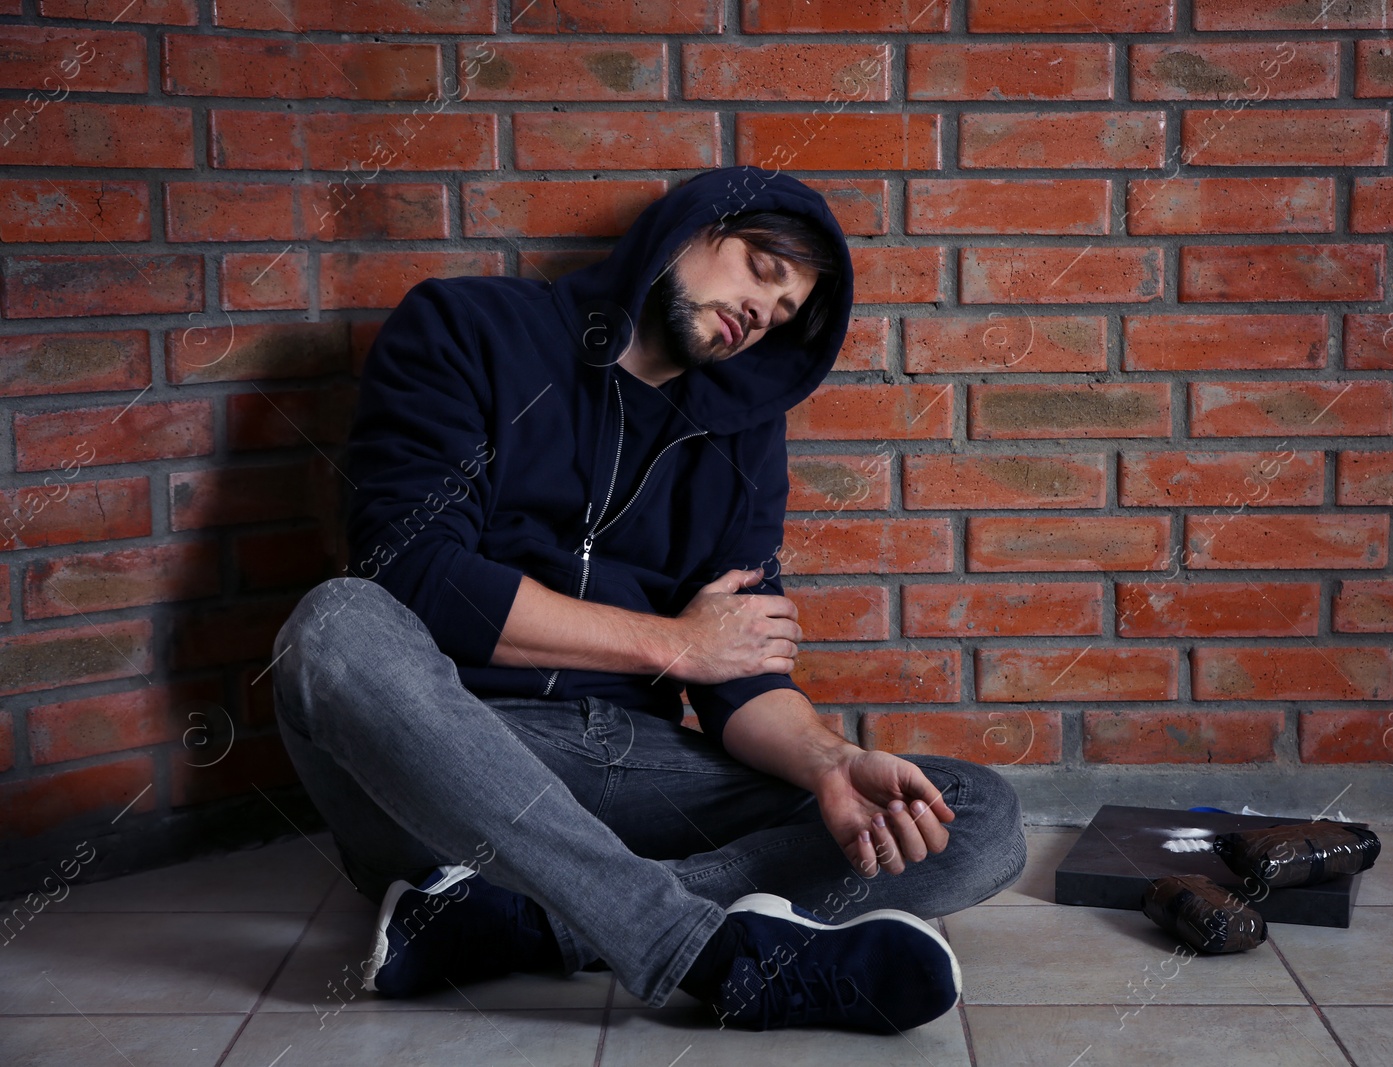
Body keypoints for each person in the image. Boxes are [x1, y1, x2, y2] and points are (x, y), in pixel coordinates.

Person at [271, 165, 1028, 1034]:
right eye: (760, 270)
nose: (759, 314)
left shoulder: (744, 440)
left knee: (970, 815)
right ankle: (703, 953)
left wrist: (828, 762)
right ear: (689, 228)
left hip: (632, 766)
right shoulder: (467, 328)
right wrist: (674, 644)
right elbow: (413, 572)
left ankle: (513, 925)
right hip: (453, 755)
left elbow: (737, 672)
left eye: (783, 315)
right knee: (334, 625)